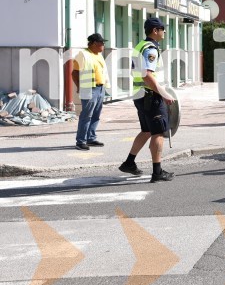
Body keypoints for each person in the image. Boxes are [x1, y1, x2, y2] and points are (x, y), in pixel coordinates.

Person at [118, 17, 175, 182]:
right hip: (150, 96)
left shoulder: (139, 46)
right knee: (158, 133)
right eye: (162, 29)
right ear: (155, 31)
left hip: (140, 96)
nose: (164, 32)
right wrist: (164, 94)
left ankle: (129, 163)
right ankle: (157, 172)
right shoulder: (151, 49)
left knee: (147, 131)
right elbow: (147, 75)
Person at [72, 33, 109, 150]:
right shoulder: (82, 54)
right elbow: (74, 73)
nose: (103, 45)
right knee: (86, 115)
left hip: (100, 88)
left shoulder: (99, 55)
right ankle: (81, 141)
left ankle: (91, 138)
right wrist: (79, 86)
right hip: (89, 89)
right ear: (94, 43)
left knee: (96, 115)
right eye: (102, 43)